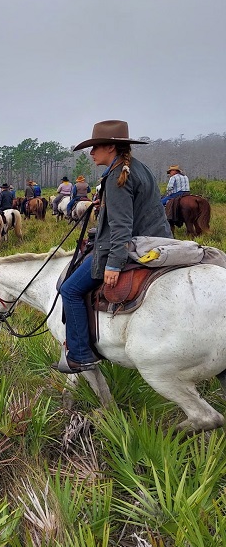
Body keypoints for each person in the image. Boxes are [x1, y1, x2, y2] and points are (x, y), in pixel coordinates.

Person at [56, 120, 171, 373]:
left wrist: (114, 264)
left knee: (70, 289)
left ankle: (80, 354)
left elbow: (121, 227)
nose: (91, 152)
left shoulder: (118, 176)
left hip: (131, 244)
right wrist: (106, 205)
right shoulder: (138, 168)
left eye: (95, 147)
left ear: (110, 147)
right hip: (159, 239)